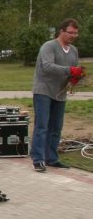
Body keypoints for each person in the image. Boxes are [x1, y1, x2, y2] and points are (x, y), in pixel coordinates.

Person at [30, 18, 81, 172]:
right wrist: (69, 71)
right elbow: (46, 67)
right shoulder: (49, 46)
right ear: (62, 31)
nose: (73, 36)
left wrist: (75, 77)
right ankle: (38, 159)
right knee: (42, 126)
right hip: (43, 90)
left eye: (76, 33)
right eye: (70, 32)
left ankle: (51, 158)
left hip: (60, 93)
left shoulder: (73, 51)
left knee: (56, 127)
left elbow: (74, 69)